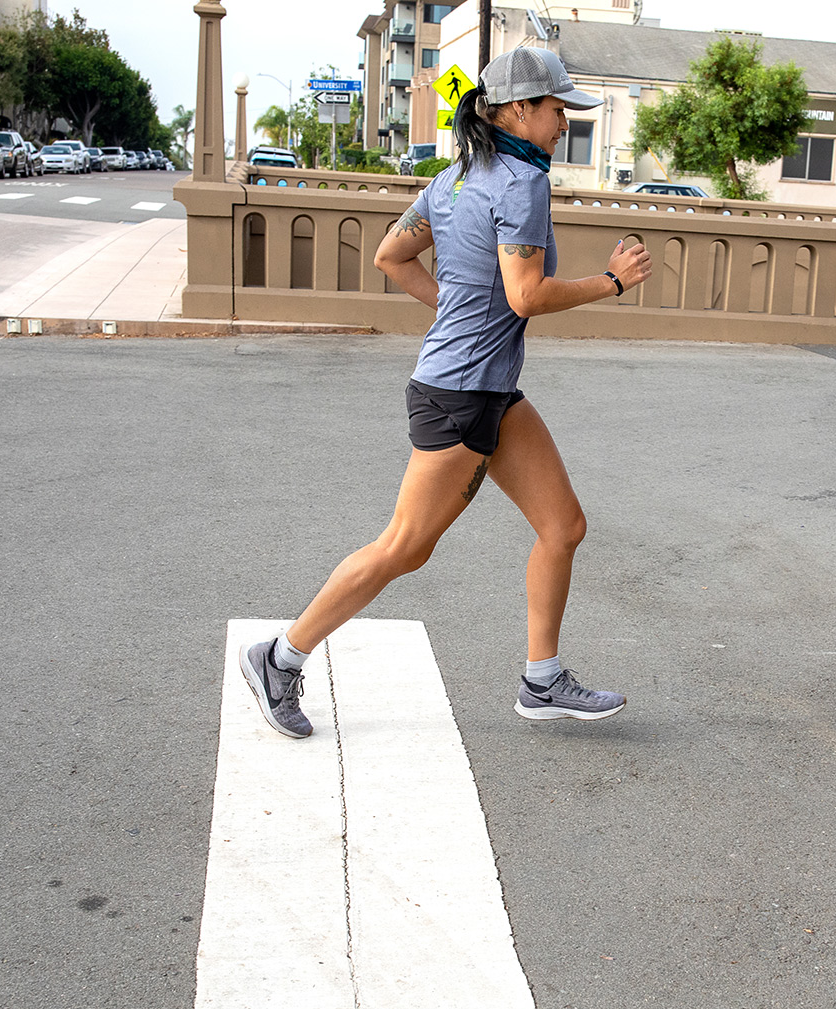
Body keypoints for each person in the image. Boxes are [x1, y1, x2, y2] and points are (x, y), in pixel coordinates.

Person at [240, 46, 652, 738]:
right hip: (461, 393)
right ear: (519, 110)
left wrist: (455, 309)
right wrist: (609, 282)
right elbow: (525, 296)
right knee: (404, 546)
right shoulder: (519, 183)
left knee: (563, 526)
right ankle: (280, 658)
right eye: (557, 110)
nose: (564, 122)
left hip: (485, 386)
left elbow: (391, 257)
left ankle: (542, 680)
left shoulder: (457, 175)